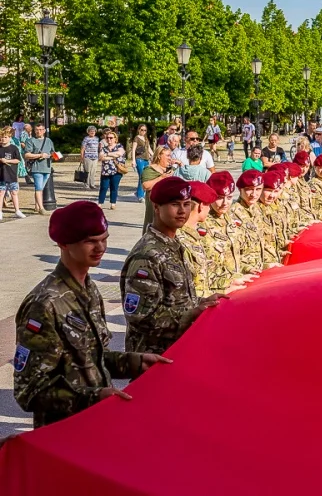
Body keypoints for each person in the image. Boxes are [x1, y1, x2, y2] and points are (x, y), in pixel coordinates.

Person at [13, 201, 170, 428]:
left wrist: (135, 362)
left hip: (95, 422)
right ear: (64, 243)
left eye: (104, 238)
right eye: (90, 241)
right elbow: (29, 391)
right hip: (64, 431)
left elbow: (93, 359)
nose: (101, 247)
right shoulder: (44, 304)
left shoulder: (89, 289)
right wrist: (93, 397)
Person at [120, 177, 227, 354]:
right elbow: (140, 317)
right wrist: (191, 314)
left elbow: (177, 300)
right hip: (154, 357)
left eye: (186, 204)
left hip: (178, 350)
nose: (182, 211)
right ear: (156, 207)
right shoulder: (146, 255)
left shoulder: (173, 244)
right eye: (175, 204)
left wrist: (203, 302)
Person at [23, 123, 55, 216]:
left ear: (44, 131)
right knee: (38, 188)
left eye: (41, 129)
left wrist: (54, 155)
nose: (39, 131)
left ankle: (37, 206)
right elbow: (27, 155)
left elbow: (52, 152)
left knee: (40, 188)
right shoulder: (30, 141)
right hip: (36, 168)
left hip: (47, 167)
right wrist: (40, 155)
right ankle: (41, 208)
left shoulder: (48, 141)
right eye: (37, 130)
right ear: (34, 130)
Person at [0, 127, 26, 220]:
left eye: (6, 137)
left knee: (14, 192)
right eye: (2, 137)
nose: (3, 139)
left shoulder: (13, 148)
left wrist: (7, 160)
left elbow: (18, 160)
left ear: (10, 138)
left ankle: (17, 210)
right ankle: (0, 212)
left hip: (11, 174)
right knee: (1, 193)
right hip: (1, 175)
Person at [97, 129, 127, 210]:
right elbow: (101, 157)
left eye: (111, 138)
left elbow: (120, 153)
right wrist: (113, 155)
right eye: (107, 138)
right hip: (105, 171)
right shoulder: (103, 148)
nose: (109, 139)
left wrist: (107, 154)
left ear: (115, 139)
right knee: (104, 187)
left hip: (116, 170)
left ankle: (113, 203)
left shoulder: (119, 146)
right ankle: (100, 203)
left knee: (114, 187)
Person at [130, 125, 153, 200]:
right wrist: (133, 160)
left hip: (146, 159)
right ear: (139, 130)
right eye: (142, 130)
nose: (143, 131)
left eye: (145, 130)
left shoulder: (146, 138)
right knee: (142, 176)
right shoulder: (137, 138)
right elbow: (133, 150)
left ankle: (138, 192)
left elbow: (149, 149)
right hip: (139, 159)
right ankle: (140, 195)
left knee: (145, 177)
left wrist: (154, 155)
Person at [80, 125, 101, 189]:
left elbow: (98, 148)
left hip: (95, 157)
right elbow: (83, 148)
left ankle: (92, 184)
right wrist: (81, 157)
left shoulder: (97, 138)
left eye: (93, 131)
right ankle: (86, 184)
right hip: (87, 156)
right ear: (88, 132)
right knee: (87, 171)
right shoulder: (86, 138)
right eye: (91, 131)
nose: (92, 132)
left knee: (93, 171)